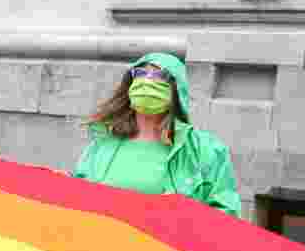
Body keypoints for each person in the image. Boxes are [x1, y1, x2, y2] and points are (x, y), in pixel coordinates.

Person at [73, 52, 241, 217]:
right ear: (130, 84)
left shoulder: (205, 150)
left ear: (176, 89)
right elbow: (77, 200)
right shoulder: (102, 145)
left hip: (172, 243)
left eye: (160, 75)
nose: (148, 80)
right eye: (140, 73)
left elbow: (226, 216)